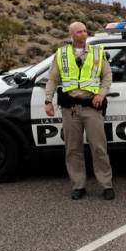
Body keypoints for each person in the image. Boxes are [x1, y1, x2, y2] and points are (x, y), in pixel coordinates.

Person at [44, 21, 115, 200]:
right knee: (73, 149)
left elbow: (107, 76)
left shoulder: (97, 52)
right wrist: (48, 101)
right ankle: (78, 185)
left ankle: (106, 185)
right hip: (71, 110)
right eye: (79, 32)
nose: (83, 34)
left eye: (85, 31)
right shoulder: (61, 54)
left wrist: (101, 93)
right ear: (72, 35)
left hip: (92, 107)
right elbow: (52, 79)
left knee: (99, 148)